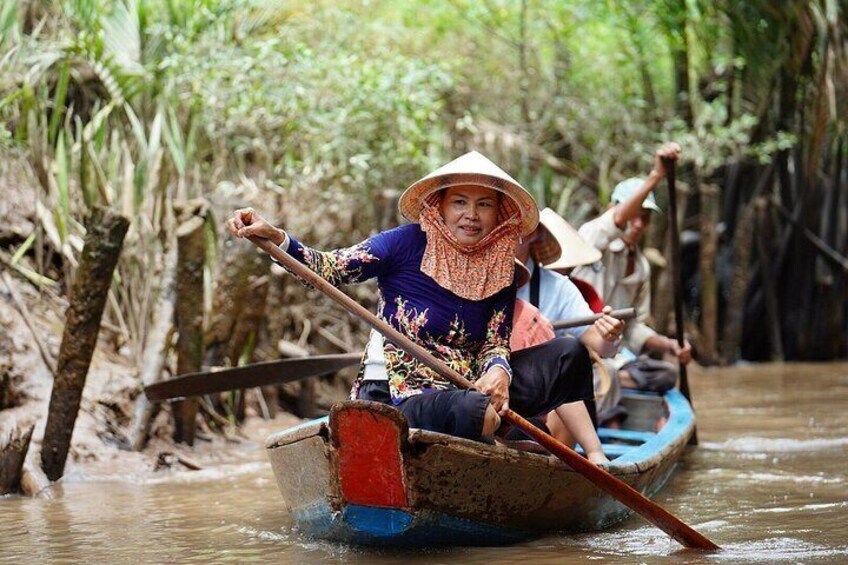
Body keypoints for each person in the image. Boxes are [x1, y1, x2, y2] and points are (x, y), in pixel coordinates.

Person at [228, 151, 608, 464]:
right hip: (402, 397)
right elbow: (330, 268)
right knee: (477, 411)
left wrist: (500, 373)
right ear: (440, 206)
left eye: (484, 205)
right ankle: (487, 435)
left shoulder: (502, 268)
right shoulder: (405, 243)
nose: (471, 215)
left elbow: (496, 341)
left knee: (569, 354)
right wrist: (278, 238)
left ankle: (588, 457)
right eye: (459, 202)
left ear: (498, 213)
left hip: (473, 387)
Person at [573, 143, 692, 393]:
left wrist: (669, 345)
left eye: (645, 218)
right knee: (607, 371)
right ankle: (599, 383)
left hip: (615, 354)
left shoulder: (641, 266)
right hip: (579, 348)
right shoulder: (592, 239)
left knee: (666, 375)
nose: (638, 224)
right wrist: (656, 176)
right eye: (634, 214)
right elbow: (614, 222)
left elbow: (634, 325)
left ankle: (606, 384)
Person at [513, 208, 627, 439]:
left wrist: (609, 335)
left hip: (550, 403)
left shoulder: (559, 287)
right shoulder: (474, 281)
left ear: (533, 234)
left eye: (515, 229)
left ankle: (561, 465)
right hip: (505, 390)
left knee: (568, 354)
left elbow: (602, 346)